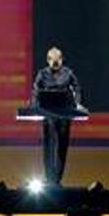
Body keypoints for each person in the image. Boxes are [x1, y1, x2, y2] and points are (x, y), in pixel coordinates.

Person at [32, 47, 84, 185]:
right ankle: (49, 177)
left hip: (64, 114)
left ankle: (57, 178)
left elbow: (77, 88)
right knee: (48, 145)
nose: (55, 63)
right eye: (53, 60)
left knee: (62, 145)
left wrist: (77, 103)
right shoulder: (42, 74)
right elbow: (36, 91)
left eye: (58, 60)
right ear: (48, 60)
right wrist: (34, 105)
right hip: (48, 114)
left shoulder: (68, 73)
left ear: (61, 59)